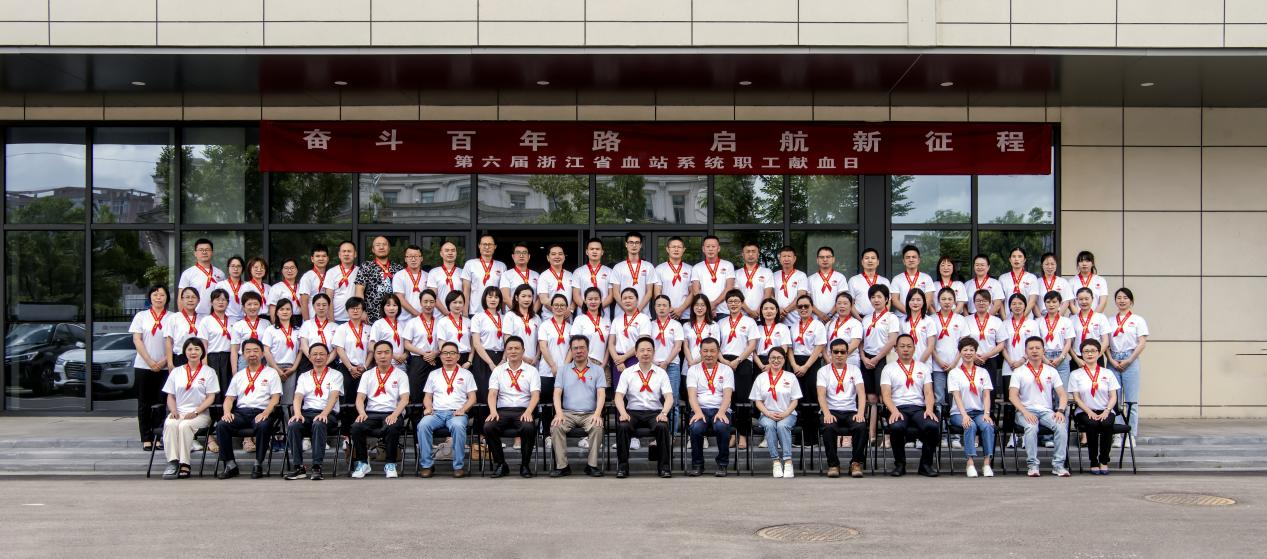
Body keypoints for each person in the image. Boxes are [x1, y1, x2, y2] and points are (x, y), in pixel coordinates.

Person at [214, 338, 282, 479]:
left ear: (262, 354)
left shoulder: (271, 373)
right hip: (241, 413)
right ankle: (230, 465)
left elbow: (275, 398)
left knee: (263, 425)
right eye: (248, 351)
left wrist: (266, 412)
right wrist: (227, 412)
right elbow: (229, 398)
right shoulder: (239, 376)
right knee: (222, 425)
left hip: (262, 411)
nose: (252, 354)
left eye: (256, 351)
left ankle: (258, 464)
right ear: (243, 354)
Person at [880, 334, 940, 477]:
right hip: (898, 408)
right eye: (902, 346)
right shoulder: (888, 369)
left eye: (909, 346)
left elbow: (928, 392)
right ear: (896, 349)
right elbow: (886, 395)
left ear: (914, 348)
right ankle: (900, 464)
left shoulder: (923, 368)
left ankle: (925, 465)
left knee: (932, 425)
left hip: (918, 408)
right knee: (896, 426)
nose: (905, 349)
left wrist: (929, 409)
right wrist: (894, 411)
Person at [614, 337, 674, 478]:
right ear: (636, 353)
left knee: (662, 426)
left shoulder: (661, 373)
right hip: (633, 412)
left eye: (649, 350)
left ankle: (664, 468)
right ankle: (622, 467)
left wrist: (664, 413)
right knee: (623, 426)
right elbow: (618, 396)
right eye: (642, 350)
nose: (645, 353)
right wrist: (623, 412)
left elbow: (669, 397)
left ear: (653, 352)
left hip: (654, 412)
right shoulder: (627, 372)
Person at [1010, 336, 1070, 477]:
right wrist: (1024, 412)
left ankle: (1058, 465)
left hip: (1046, 411)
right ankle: (1033, 465)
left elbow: (1062, 394)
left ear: (1044, 351)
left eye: (1038, 348)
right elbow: (1012, 396)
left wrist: (1060, 410)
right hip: (1025, 411)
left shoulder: (1051, 371)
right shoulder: (1019, 371)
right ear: (1026, 351)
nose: (1034, 351)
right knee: (1031, 427)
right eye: (1031, 348)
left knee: (1061, 426)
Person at [160, 338, 219, 480]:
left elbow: (211, 397)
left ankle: (185, 463)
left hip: (200, 414)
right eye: (190, 349)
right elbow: (170, 395)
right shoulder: (176, 372)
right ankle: (173, 462)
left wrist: (196, 411)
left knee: (185, 426)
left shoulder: (209, 372)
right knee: (170, 423)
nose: (193, 352)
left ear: (202, 352)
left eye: (197, 349)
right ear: (185, 352)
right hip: (179, 412)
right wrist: (173, 410)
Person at [349, 341, 410, 479]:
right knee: (356, 427)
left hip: (392, 412)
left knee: (393, 427)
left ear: (392, 355)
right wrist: (362, 413)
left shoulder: (401, 375)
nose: (383, 356)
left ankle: (390, 464)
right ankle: (363, 463)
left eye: (386, 352)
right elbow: (360, 398)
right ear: (374, 356)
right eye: (379, 353)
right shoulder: (367, 375)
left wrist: (395, 414)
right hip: (371, 413)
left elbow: (405, 399)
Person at [483, 336, 541, 478]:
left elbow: (535, 395)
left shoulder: (532, 371)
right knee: (489, 426)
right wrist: (493, 411)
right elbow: (492, 393)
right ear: (505, 351)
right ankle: (501, 464)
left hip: (523, 410)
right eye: (510, 348)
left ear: (523, 351)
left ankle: (525, 465)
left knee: (528, 427)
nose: (513, 351)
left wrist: (529, 411)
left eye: (516, 348)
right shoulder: (498, 370)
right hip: (502, 410)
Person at [283, 343, 342, 481]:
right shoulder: (304, 376)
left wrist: (324, 414)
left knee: (319, 423)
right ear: (309, 357)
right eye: (315, 354)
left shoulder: (336, 374)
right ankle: (298, 467)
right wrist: (297, 413)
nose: (318, 357)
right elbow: (298, 397)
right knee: (293, 425)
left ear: (328, 356)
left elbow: (334, 397)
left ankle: (317, 466)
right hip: (307, 413)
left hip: (328, 414)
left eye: (322, 354)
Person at [550, 335, 607, 477]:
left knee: (597, 427)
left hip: (590, 414)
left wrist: (597, 414)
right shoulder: (563, 370)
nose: (578, 351)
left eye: (582, 348)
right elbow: (557, 393)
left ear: (588, 349)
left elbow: (601, 394)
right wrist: (559, 413)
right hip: (567, 413)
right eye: (575, 348)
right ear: (571, 350)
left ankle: (591, 465)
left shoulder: (598, 370)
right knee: (556, 426)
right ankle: (562, 466)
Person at [417, 342, 477, 478]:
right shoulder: (433, 374)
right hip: (436, 413)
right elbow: (427, 396)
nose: (448, 356)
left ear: (458, 356)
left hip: (457, 413)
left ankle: (458, 466)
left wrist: (463, 409)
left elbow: (472, 398)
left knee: (458, 426)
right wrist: (428, 407)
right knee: (423, 425)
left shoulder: (466, 374)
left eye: (452, 353)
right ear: (440, 356)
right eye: (445, 353)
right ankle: (427, 465)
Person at [817, 338, 868, 478]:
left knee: (861, 426)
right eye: (836, 352)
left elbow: (861, 393)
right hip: (831, 410)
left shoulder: (855, 370)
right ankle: (833, 464)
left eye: (842, 352)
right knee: (828, 426)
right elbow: (821, 395)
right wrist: (827, 413)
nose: (839, 355)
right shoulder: (823, 371)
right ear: (830, 353)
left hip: (850, 410)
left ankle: (855, 463)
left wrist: (860, 413)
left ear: (847, 354)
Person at [1069, 339, 1121, 475]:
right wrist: (1089, 411)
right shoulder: (1075, 374)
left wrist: (1107, 411)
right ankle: (1093, 461)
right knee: (1091, 424)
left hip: (1105, 410)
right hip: (1084, 411)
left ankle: (1104, 460)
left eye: (1093, 351)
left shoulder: (1108, 373)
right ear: (1081, 354)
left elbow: (1113, 396)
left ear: (1099, 353)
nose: (1090, 354)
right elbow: (1076, 398)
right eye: (1086, 351)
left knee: (1106, 423)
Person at [685, 337, 734, 477]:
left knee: (722, 426)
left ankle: (722, 464)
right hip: (699, 409)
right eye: (705, 351)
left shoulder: (726, 370)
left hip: (721, 409)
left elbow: (727, 396)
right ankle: (697, 464)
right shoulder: (693, 370)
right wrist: (698, 412)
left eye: (712, 351)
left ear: (718, 352)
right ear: (700, 352)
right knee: (696, 427)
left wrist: (722, 412)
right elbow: (692, 396)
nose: (709, 354)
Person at [750, 347, 801, 478]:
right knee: (769, 425)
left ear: (784, 360)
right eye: (773, 358)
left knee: (783, 426)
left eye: (779, 358)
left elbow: (795, 400)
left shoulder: (790, 377)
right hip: (767, 414)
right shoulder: (761, 378)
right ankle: (776, 462)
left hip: (788, 414)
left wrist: (785, 413)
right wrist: (768, 413)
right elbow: (757, 401)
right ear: (768, 359)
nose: (776, 360)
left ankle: (788, 462)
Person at [947, 338, 995, 478]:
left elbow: (986, 395)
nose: (968, 353)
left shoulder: (983, 372)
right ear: (960, 352)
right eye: (965, 350)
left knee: (987, 426)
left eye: (971, 350)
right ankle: (970, 462)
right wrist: (964, 415)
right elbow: (956, 396)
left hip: (979, 411)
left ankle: (987, 463)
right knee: (970, 425)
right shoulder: (954, 373)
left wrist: (986, 413)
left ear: (975, 352)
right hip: (959, 413)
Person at [131, 285, 171, 452]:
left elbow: (174, 342)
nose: (158, 298)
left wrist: (163, 361)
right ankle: (146, 438)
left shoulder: (172, 317)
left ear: (167, 298)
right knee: (144, 403)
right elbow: (137, 339)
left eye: (162, 295)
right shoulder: (141, 316)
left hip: (164, 367)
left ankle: (159, 436)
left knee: (162, 402)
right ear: (150, 298)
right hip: (143, 366)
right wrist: (149, 361)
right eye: (155, 295)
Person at [718, 289, 758, 450]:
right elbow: (716, 345)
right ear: (726, 304)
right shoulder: (721, 323)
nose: (733, 304)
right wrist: (723, 361)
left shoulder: (749, 322)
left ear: (742, 303)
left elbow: (752, 345)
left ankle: (743, 435)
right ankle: (732, 433)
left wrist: (738, 360)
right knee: (728, 399)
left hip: (743, 361)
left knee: (743, 400)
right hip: (724, 362)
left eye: (736, 301)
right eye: (730, 301)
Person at [1107, 287, 1148, 441]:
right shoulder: (1110, 321)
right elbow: (1105, 343)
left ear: (1131, 301)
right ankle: (1117, 435)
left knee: (1132, 401)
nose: (1122, 300)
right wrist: (1111, 360)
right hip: (1113, 361)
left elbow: (1142, 343)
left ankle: (1130, 436)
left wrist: (1129, 360)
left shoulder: (1138, 320)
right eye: (1119, 297)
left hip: (1130, 359)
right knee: (1114, 401)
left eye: (1125, 298)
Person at [789, 295, 827, 446]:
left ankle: (812, 437)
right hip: (795, 364)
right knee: (797, 399)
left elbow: (819, 347)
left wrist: (806, 366)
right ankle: (799, 436)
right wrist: (794, 365)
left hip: (811, 363)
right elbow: (789, 348)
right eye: (800, 307)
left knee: (811, 399)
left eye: (806, 306)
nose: (803, 309)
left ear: (812, 307)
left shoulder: (818, 325)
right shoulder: (793, 326)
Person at [931, 288, 970, 413]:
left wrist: (954, 362)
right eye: (943, 299)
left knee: (955, 394)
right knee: (939, 396)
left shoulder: (960, 319)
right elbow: (929, 344)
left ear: (954, 301)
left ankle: (955, 419)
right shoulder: (931, 319)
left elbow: (963, 343)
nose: (947, 302)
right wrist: (938, 360)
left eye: (949, 299)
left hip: (956, 364)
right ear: (938, 301)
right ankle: (940, 422)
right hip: (937, 364)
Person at [860, 285, 899, 409]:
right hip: (867, 359)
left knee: (883, 393)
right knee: (871, 395)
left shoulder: (891, 317)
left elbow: (892, 340)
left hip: (883, 358)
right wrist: (863, 358)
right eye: (873, 297)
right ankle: (872, 422)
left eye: (879, 297)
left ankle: (886, 420)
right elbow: (861, 341)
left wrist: (877, 358)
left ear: (886, 299)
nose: (876, 300)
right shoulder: (866, 319)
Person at [650, 295, 685, 434]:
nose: (661, 308)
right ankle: (658, 434)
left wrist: (666, 362)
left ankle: (671, 435)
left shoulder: (676, 325)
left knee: (673, 400)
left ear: (670, 307)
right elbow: (646, 345)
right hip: (653, 366)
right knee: (655, 400)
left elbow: (678, 347)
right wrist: (654, 362)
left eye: (664, 305)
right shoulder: (650, 325)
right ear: (654, 307)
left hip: (671, 366)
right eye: (658, 305)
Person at [609, 288, 651, 391]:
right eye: (624, 298)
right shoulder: (616, 320)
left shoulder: (643, 318)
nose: (627, 300)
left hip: (636, 359)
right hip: (618, 360)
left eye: (630, 298)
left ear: (637, 300)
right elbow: (611, 343)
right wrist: (618, 361)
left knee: (636, 391)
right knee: (619, 392)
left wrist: (624, 357)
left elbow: (643, 343)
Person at [332, 297, 372, 404]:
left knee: (363, 396)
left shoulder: (369, 329)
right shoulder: (342, 328)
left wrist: (365, 366)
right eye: (352, 308)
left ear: (363, 310)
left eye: (358, 308)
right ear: (347, 310)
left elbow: (371, 351)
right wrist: (350, 367)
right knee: (347, 397)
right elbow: (339, 349)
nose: (355, 311)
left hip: (364, 368)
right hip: (346, 367)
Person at [262, 298, 302, 405]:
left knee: (288, 400)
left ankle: (287, 416)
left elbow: (300, 351)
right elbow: (266, 351)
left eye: (288, 309)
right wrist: (277, 369)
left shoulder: (297, 330)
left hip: (291, 368)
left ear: (292, 312)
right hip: (274, 367)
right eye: (282, 309)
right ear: (277, 312)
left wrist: (294, 368)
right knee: (271, 398)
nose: (285, 312)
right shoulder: (270, 330)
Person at [402, 289, 440, 399]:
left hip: (436, 360)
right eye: (425, 301)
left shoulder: (440, 322)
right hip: (418, 360)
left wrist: (435, 353)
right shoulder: (412, 322)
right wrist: (424, 354)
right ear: (420, 303)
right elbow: (407, 344)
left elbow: (444, 343)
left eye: (431, 302)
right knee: (416, 390)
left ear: (435, 303)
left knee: (435, 392)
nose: (428, 305)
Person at [198, 289, 234, 405]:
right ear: (211, 302)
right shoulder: (206, 321)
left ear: (228, 302)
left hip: (229, 357)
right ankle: (215, 412)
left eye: (224, 300)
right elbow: (203, 344)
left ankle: (228, 412)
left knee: (229, 386)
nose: (221, 302)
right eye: (217, 299)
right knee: (214, 387)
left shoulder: (233, 321)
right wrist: (204, 364)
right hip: (213, 358)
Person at [356, 236, 403, 324]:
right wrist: (361, 310)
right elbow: (359, 290)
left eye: (384, 244)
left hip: (394, 315)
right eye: (378, 245)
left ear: (389, 248)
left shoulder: (398, 268)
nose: (381, 247)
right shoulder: (366, 266)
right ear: (373, 249)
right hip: (371, 316)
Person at [610, 232, 659, 315]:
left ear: (640, 245)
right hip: (622, 314)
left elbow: (649, 292)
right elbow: (615, 293)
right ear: (626, 244)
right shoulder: (618, 267)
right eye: (631, 242)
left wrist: (637, 310)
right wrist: (627, 310)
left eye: (637, 242)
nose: (634, 245)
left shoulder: (648, 266)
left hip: (643, 313)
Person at [967, 289, 1006, 393]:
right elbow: (963, 341)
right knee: (972, 387)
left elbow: (1001, 344)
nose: (981, 303)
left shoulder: (996, 321)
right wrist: (973, 356)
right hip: (971, 359)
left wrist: (987, 355)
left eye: (984, 300)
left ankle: (990, 404)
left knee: (990, 389)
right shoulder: (967, 320)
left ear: (989, 302)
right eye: (978, 301)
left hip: (990, 359)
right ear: (974, 303)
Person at [470, 286, 507, 391]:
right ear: (485, 298)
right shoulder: (478, 317)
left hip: (501, 358)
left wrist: (504, 359)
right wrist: (490, 363)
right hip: (483, 357)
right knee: (483, 390)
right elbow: (476, 343)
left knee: (500, 390)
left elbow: (508, 341)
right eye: (490, 297)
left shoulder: (505, 318)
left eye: (496, 297)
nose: (493, 300)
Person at [1037, 291, 1075, 388]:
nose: (1051, 305)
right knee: (1046, 391)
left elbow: (1068, 342)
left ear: (1060, 304)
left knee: (1062, 390)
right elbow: (1036, 343)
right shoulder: (1038, 322)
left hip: (1061, 358)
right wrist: (1044, 359)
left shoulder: (1066, 321)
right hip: (1044, 357)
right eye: (1048, 302)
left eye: (1054, 302)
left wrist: (1061, 357)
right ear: (1044, 303)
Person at [177, 238, 224, 316]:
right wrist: (185, 318)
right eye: (201, 250)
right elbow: (181, 298)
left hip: (215, 316)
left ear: (212, 252)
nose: (204, 252)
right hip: (194, 316)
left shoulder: (220, 274)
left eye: (207, 249)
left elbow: (223, 296)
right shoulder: (187, 273)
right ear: (195, 253)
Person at [229, 292, 273, 373]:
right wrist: (234, 370)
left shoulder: (266, 323)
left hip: (263, 358)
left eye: (256, 304)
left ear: (260, 306)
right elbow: (234, 350)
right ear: (243, 307)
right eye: (249, 304)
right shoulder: (238, 325)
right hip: (245, 360)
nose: (252, 307)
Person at [693, 235, 734, 320]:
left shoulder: (728, 265)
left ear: (718, 248)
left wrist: (714, 304)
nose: (710, 249)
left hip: (724, 311)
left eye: (713, 246)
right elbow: (696, 290)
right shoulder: (697, 267)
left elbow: (729, 288)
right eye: (708, 246)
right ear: (703, 249)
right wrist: (707, 306)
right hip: (704, 311)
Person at [572, 237, 614, 319]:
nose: (594, 251)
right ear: (587, 252)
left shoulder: (609, 271)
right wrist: (587, 309)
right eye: (592, 249)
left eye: (597, 249)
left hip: (603, 314)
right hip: (583, 314)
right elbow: (576, 295)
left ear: (602, 252)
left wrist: (598, 308)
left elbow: (611, 295)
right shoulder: (578, 272)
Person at [464, 234, 506, 315]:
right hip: (475, 312)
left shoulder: (501, 266)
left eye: (490, 244)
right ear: (479, 246)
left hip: (495, 312)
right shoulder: (470, 264)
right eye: (484, 244)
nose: (487, 247)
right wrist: (465, 313)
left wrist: (503, 312)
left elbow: (503, 292)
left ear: (495, 246)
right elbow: (466, 290)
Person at [1069, 287, 1110, 369]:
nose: (1084, 302)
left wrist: (1095, 357)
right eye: (1081, 299)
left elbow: (1105, 341)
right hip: (1078, 359)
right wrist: (1076, 359)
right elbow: (1068, 344)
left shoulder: (1101, 317)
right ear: (1077, 300)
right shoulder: (1072, 319)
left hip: (1097, 357)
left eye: (1086, 299)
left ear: (1092, 299)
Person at [369, 294, 410, 375]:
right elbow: (371, 346)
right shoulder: (378, 324)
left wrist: (405, 355)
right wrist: (392, 355)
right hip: (385, 364)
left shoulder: (403, 324)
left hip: (401, 364)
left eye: (394, 305)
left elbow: (407, 344)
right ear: (383, 307)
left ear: (398, 307)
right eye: (388, 305)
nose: (391, 308)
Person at [657, 236, 696, 320]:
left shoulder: (690, 269)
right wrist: (670, 309)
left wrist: (681, 309)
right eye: (673, 247)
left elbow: (693, 292)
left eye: (679, 247)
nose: (676, 249)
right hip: (666, 314)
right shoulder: (659, 269)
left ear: (683, 249)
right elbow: (657, 293)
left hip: (686, 314)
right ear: (667, 249)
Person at [890, 245, 935, 317]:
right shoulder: (897, 279)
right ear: (904, 261)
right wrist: (909, 313)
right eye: (908, 257)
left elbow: (929, 299)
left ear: (918, 260)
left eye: (914, 257)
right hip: (901, 317)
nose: (911, 260)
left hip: (921, 317)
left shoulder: (927, 278)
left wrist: (918, 314)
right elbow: (895, 300)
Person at [297, 293, 338, 371]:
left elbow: (336, 349)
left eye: (324, 305)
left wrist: (325, 363)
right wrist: (313, 360)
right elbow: (303, 345)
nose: (321, 308)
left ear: (329, 306)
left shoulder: (335, 327)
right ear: (313, 306)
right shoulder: (307, 324)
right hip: (309, 361)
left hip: (329, 361)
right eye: (318, 305)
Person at [165, 287, 202, 371]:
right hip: (180, 358)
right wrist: (170, 363)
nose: (190, 300)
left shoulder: (203, 319)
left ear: (198, 300)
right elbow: (168, 341)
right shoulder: (174, 318)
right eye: (187, 297)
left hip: (199, 358)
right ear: (182, 299)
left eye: (193, 297)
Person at [571, 287, 610, 367]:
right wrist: (587, 363)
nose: (593, 302)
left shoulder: (606, 320)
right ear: (585, 301)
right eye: (590, 299)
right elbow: (575, 343)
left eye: (596, 299)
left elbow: (609, 345)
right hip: (583, 363)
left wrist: (603, 365)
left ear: (600, 300)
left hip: (603, 364)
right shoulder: (579, 319)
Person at [322, 240, 359, 323]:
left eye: (349, 251)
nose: (346, 254)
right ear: (339, 255)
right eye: (344, 251)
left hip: (355, 319)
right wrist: (332, 321)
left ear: (355, 254)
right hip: (336, 318)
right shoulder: (331, 272)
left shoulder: (360, 271)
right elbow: (328, 298)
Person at [806, 246, 846, 322]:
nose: (825, 259)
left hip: (836, 319)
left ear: (833, 259)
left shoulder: (840, 277)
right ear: (817, 260)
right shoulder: (810, 279)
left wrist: (830, 314)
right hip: (815, 319)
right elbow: (808, 300)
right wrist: (820, 314)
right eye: (822, 257)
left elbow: (842, 299)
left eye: (828, 257)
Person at [848, 248, 890, 319]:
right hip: (859, 318)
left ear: (878, 262)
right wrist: (860, 319)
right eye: (867, 258)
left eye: (873, 258)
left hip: (880, 319)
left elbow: (888, 302)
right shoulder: (853, 280)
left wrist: (882, 318)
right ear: (862, 262)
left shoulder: (885, 281)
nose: (870, 261)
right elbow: (850, 303)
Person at [736, 241, 774, 319]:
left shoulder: (767, 272)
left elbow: (767, 294)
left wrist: (759, 311)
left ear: (758, 254)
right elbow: (737, 295)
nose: (751, 254)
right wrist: (749, 312)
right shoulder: (736, 273)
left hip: (761, 315)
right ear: (743, 254)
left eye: (753, 251)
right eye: (748, 252)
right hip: (742, 316)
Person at [393, 244, 430, 324]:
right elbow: (400, 298)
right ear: (405, 259)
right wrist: (417, 314)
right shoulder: (399, 275)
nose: (413, 259)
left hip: (424, 319)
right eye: (410, 256)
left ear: (421, 258)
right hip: (403, 320)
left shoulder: (428, 276)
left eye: (416, 256)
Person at [537, 244, 576, 318]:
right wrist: (560, 311)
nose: (557, 256)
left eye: (560, 254)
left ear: (564, 257)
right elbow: (543, 299)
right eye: (553, 254)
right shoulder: (544, 276)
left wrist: (571, 310)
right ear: (548, 258)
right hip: (549, 318)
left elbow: (575, 297)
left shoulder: (570, 275)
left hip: (568, 318)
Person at [999, 247, 1040, 319]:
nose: (1016, 259)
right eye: (1014, 256)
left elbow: (1032, 301)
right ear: (1010, 259)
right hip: (1008, 319)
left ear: (1024, 260)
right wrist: (1005, 319)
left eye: (1020, 256)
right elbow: (1000, 302)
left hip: (1027, 319)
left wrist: (1022, 317)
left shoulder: (1031, 277)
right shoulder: (1003, 278)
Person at [772, 246, 809, 325]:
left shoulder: (801, 275)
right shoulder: (774, 275)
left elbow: (801, 296)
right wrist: (777, 310)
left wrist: (785, 311)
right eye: (784, 256)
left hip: (796, 318)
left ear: (794, 258)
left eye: (789, 256)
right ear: (780, 259)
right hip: (778, 317)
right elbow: (771, 295)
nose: (786, 259)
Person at [753, 298, 791, 373]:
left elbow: (784, 349)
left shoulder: (783, 327)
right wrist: (761, 365)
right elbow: (752, 350)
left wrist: (771, 365)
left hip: (777, 361)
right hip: (759, 363)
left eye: (772, 308)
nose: (769, 311)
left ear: (777, 311)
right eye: (765, 309)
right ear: (761, 311)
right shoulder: (756, 328)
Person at [500, 242, 539, 316]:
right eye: (518, 253)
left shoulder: (536, 275)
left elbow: (539, 298)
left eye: (524, 253)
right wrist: (519, 313)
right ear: (513, 256)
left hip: (531, 316)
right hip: (513, 314)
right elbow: (505, 297)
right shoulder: (506, 274)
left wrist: (531, 313)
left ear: (529, 256)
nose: (521, 255)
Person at [826, 292, 863, 369]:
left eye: (845, 303)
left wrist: (839, 357)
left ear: (851, 306)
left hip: (850, 362)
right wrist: (828, 359)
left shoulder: (856, 323)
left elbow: (854, 344)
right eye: (839, 303)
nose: (842, 306)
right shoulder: (829, 324)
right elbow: (823, 345)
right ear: (835, 306)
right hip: (830, 362)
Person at [682, 294, 720, 369]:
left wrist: (695, 362)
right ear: (692, 307)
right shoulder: (686, 325)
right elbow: (685, 346)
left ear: (707, 307)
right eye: (697, 305)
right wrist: (691, 362)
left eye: (703, 305)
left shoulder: (714, 325)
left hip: (706, 364)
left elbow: (715, 347)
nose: (699, 308)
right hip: (688, 365)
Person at [298, 244, 330, 322]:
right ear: (312, 259)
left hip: (329, 319)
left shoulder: (331, 275)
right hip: (312, 319)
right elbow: (303, 302)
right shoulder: (307, 276)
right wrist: (307, 322)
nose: (321, 259)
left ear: (328, 258)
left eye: (324, 256)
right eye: (317, 256)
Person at [217, 256, 247, 323]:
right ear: (228, 268)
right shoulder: (221, 285)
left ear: (242, 269)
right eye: (232, 266)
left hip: (244, 320)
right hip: (226, 320)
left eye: (239, 266)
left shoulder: (248, 286)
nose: (235, 269)